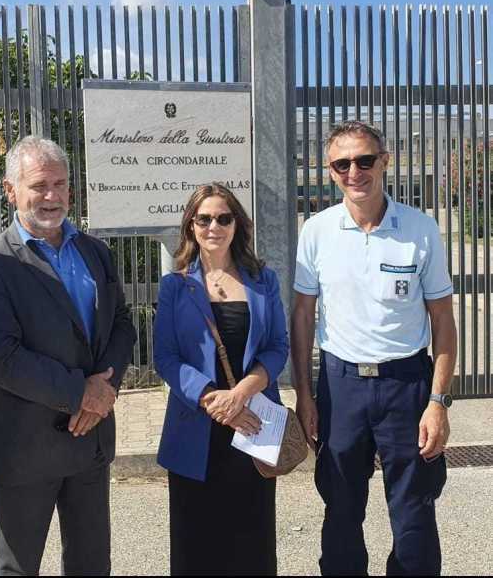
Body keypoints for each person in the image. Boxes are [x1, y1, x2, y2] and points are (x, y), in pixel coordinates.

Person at [291, 120, 456, 576]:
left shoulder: (420, 229)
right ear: (329, 171)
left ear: (385, 161)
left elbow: (443, 321)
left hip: (407, 384)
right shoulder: (317, 231)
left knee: (415, 513)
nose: (354, 172)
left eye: (365, 160)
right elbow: (303, 316)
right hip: (341, 386)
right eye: (341, 164)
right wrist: (304, 394)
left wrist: (438, 402)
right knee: (340, 510)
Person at [0, 135, 136, 576]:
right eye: (39, 186)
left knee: (91, 564)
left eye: (60, 184)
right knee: (17, 568)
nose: (52, 196)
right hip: (26, 446)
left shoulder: (94, 251)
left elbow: (121, 323)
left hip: (90, 437)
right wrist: (82, 393)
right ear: (11, 191)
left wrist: (104, 391)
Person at [153, 183, 289, 576]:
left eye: (223, 218)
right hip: (195, 428)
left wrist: (241, 393)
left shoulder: (263, 280)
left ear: (236, 225)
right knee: (196, 547)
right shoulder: (175, 285)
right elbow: (166, 357)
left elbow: (277, 346)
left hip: (252, 424)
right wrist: (215, 400)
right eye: (204, 219)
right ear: (191, 226)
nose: (214, 226)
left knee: (252, 544)